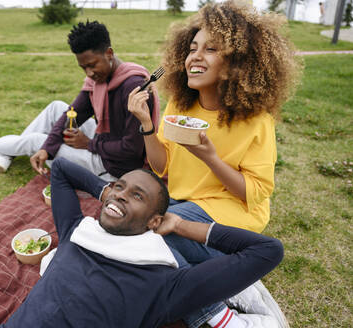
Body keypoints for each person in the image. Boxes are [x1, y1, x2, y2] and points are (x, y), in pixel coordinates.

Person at [0, 157, 285, 328]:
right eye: (118, 187)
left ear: (155, 219)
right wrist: (111, 197)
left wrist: (179, 225)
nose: (120, 194)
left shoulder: (167, 283)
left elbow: (267, 251)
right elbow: (62, 169)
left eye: (136, 195)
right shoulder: (76, 233)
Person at [127, 1, 300, 327]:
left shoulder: (256, 120)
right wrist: (145, 124)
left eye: (210, 49)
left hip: (234, 216)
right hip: (186, 205)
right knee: (146, 228)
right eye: (192, 48)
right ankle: (235, 285)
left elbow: (256, 192)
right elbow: (161, 166)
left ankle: (219, 316)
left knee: (150, 234)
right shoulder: (180, 103)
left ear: (236, 63)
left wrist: (210, 159)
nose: (195, 56)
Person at [0, 20, 158, 181]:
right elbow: (73, 112)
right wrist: (50, 148)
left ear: (109, 53)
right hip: (105, 141)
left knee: (36, 141)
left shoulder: (133, 88)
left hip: (114, 167)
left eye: (92, 65)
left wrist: (88, 144)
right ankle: (4, 155)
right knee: (57, 109)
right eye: (83, 67)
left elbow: (132, 150)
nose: (89, 73)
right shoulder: (100, 80)